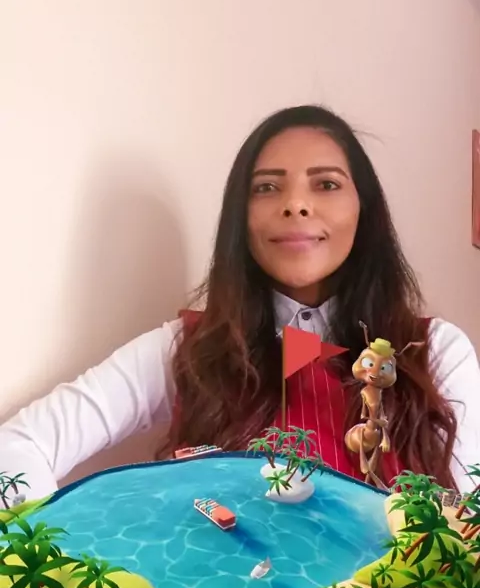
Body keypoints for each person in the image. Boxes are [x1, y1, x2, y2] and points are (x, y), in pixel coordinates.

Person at [1, 105, 479, 501]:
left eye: (326, 184)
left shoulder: (434, 350)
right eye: (266, 187)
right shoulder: (188, 348)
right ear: (240, 218)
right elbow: (17, 447)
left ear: (364, 210)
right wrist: (57, 562)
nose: (295, 204)